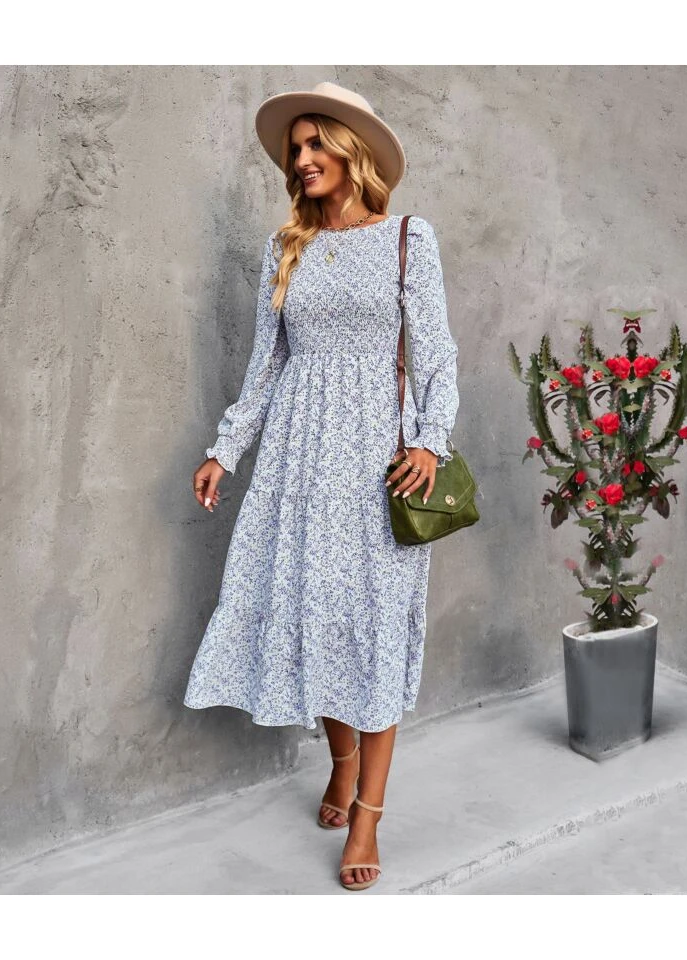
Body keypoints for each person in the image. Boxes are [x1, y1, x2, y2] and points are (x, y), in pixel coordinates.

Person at [183, 80, 459, 892]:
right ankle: (340, 765)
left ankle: (368, 813)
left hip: (379, 461)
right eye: (294, 148)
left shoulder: (408, 238)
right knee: (320, 619)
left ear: (350, 152)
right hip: (298, 463)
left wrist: (431, 443)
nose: (301, 159)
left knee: (371, 627)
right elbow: (266, 366)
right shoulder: (285, 248)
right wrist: (225, 450)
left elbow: (436, 354)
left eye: (315, 144)